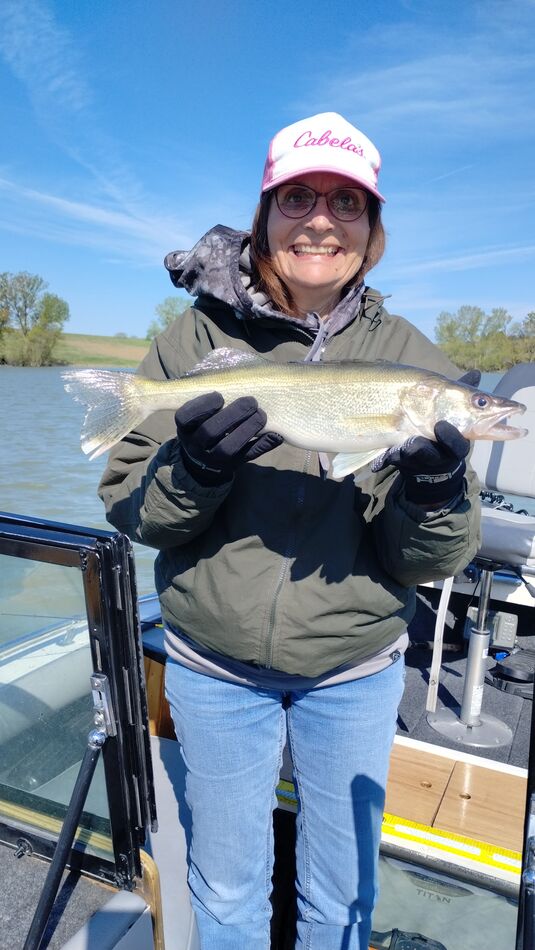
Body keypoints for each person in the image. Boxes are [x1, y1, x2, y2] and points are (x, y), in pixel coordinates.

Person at [99, 112, 481, 950]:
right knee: (227, 890)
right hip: (213, 669)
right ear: (266, 211)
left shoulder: (417, 362)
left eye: (347, 202)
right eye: (298, 196)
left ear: (371, 229)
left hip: (353, 671)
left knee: (341, 894)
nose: (320, 218)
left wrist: (437, 488)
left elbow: (427, 559)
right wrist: (191, 470)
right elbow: (132, 511)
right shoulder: (195, 340)